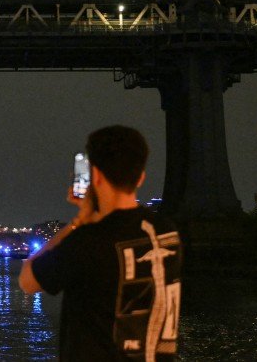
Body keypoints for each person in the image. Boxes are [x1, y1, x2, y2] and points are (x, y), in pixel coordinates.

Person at [20, 125, 182, 361]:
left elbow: (28, 280)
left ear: (95, 176)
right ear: (141, 177)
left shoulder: (87, 241)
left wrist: (78, 221)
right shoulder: (167, 233)